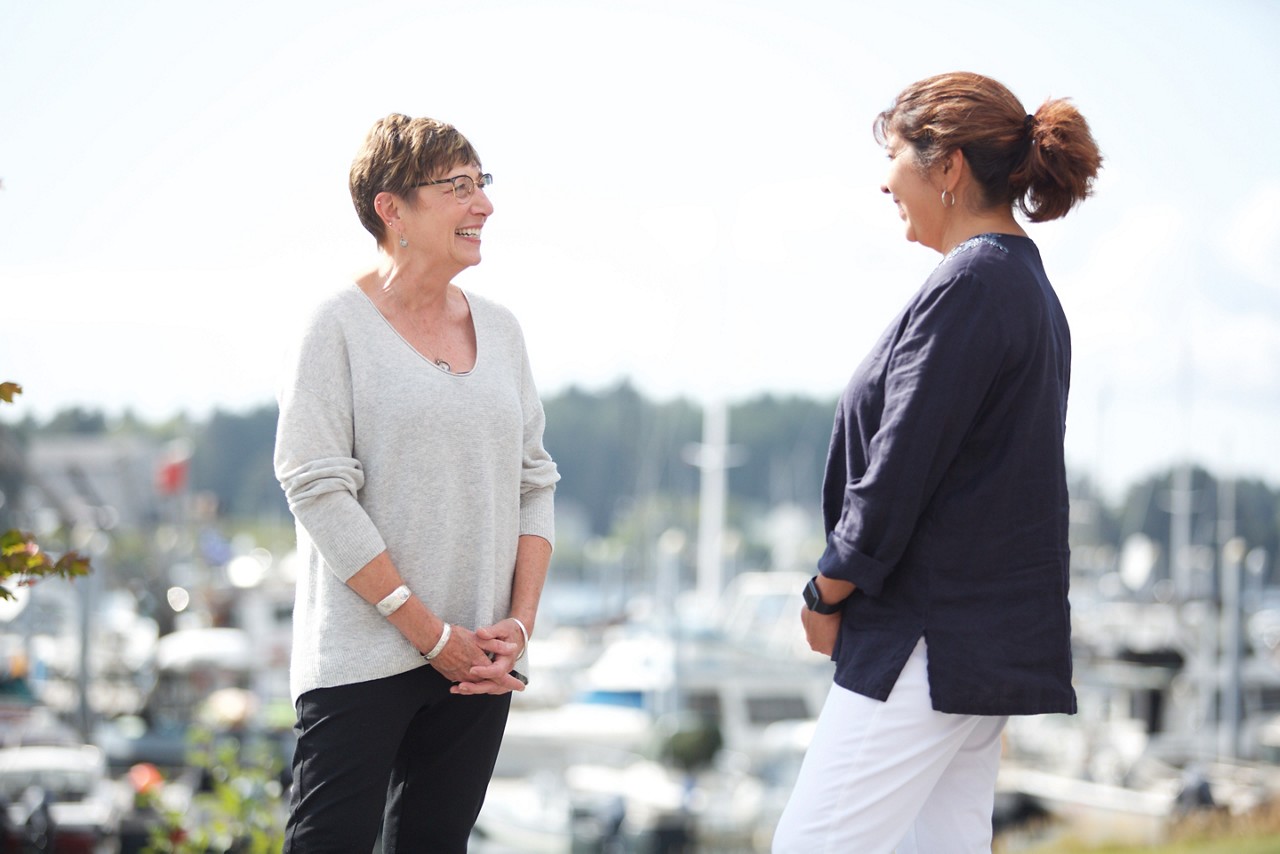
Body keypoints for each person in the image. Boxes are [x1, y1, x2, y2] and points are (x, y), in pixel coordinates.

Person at [772, 72, 1102, 853]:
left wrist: (827, 590)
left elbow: (900, 468)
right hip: (967, 645)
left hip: (924, 640)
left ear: (948, 166)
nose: (884, 180)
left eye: (895, 155)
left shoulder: (974, 284)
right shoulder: (1020, 284)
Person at [273, 113, 559, 853]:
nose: (484, 205)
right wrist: (426, 632)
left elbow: (535, 481)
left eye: (482, 184)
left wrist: (517, 633)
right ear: (391, 209)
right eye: (458, 187)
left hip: (478, 664)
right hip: (363, 660)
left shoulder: (502, 330)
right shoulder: (335, 325)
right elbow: (315, 487)